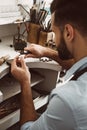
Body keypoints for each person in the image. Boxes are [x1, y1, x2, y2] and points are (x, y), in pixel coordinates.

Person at [11, 0, 87, 129]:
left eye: (54, 32)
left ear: (68, 32)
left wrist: (25, 82)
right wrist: (47, 52)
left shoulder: (68, 100)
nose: (54, 39)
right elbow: (81, 65)